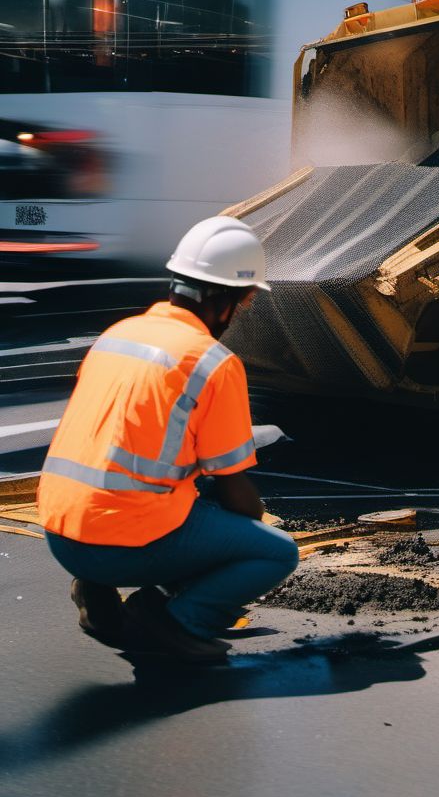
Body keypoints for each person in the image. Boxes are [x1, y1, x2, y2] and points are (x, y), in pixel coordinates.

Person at [39, 216, 298, 664]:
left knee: (170, 500)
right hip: (115, 546)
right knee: (274, 552)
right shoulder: (213, 362)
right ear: (228, 301)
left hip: (62, 534)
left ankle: (97, 595)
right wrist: (253, 529)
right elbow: (234, 488)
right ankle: (175, 621)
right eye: (247, 302)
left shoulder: (117, 335)